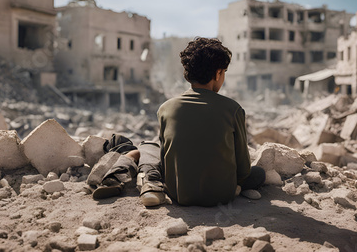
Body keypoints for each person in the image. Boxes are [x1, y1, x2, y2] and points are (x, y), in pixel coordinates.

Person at [92, 37, 265, 207]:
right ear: (218, 72)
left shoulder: (166, 108)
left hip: (179, 194)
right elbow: (243, 171)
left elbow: (166, 159)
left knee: (147, 146)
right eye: (224, 73)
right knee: (259, 174)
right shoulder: (233, 109)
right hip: (222, 194)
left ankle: (141, 179)